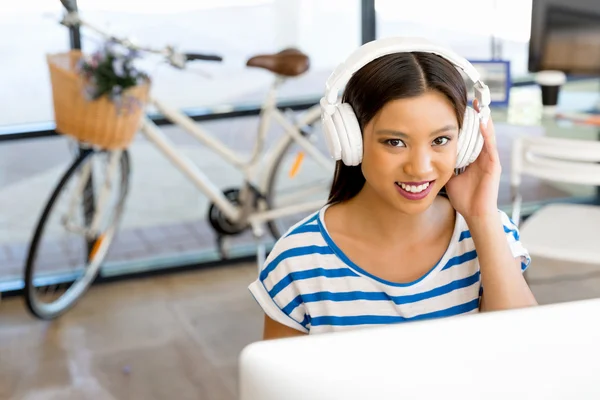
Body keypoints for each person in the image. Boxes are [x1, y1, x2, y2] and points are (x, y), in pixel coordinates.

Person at [248, 37, 537, 340]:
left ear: (464, 144)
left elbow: (523, 350)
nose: (421, 167)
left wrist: (481, 216)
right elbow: (280, 386)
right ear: (351, 142)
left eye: (440, 140)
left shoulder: (490, 234)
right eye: (395, 142)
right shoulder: (298, 260)